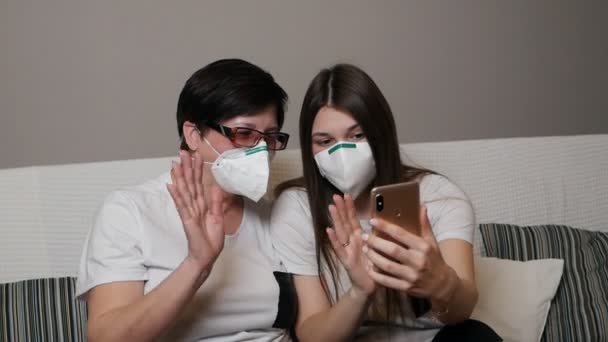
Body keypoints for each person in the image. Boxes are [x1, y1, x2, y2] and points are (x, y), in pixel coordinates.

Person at [271, 64, 501, 341]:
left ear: (381, 133)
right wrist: (361, 292)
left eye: (358, 136)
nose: (342, 152)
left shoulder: (439, 197)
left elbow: (461, 311)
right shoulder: (297, 207)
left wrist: (442, 282)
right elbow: (311, 333)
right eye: (325, 141)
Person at [76, 59, 296, 342]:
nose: (261, 150)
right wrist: (196, 265)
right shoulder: (129, 211)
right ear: (193, 134)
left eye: (270, 137)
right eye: (244, 134)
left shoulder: (272, 214)